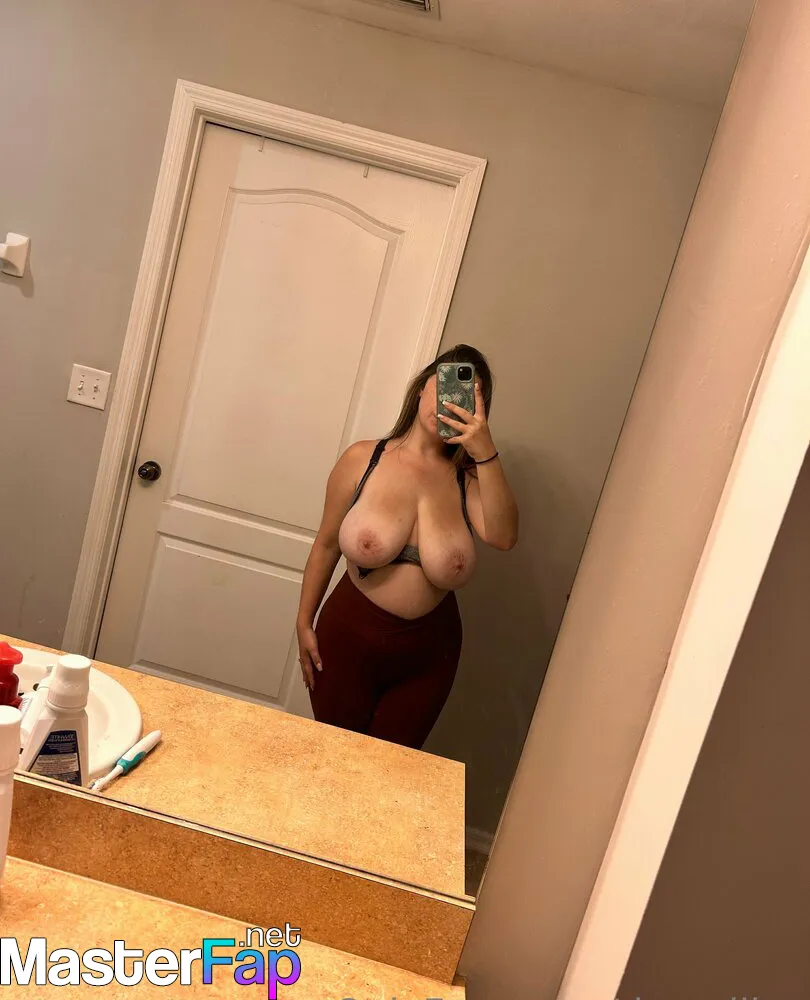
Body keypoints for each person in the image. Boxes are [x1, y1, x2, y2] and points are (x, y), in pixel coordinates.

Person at [295, 344, 518, 750]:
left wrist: (485, 451)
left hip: (429, 657)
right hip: (348, 639)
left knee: (392, 774)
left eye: (466, 396)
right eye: (444, 385)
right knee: (332, 761)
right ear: (422, 388)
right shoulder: (364, 459)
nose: (450, 401)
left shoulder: (467, 481)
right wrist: (303, 621)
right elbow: (326, 544)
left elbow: (503, 537)